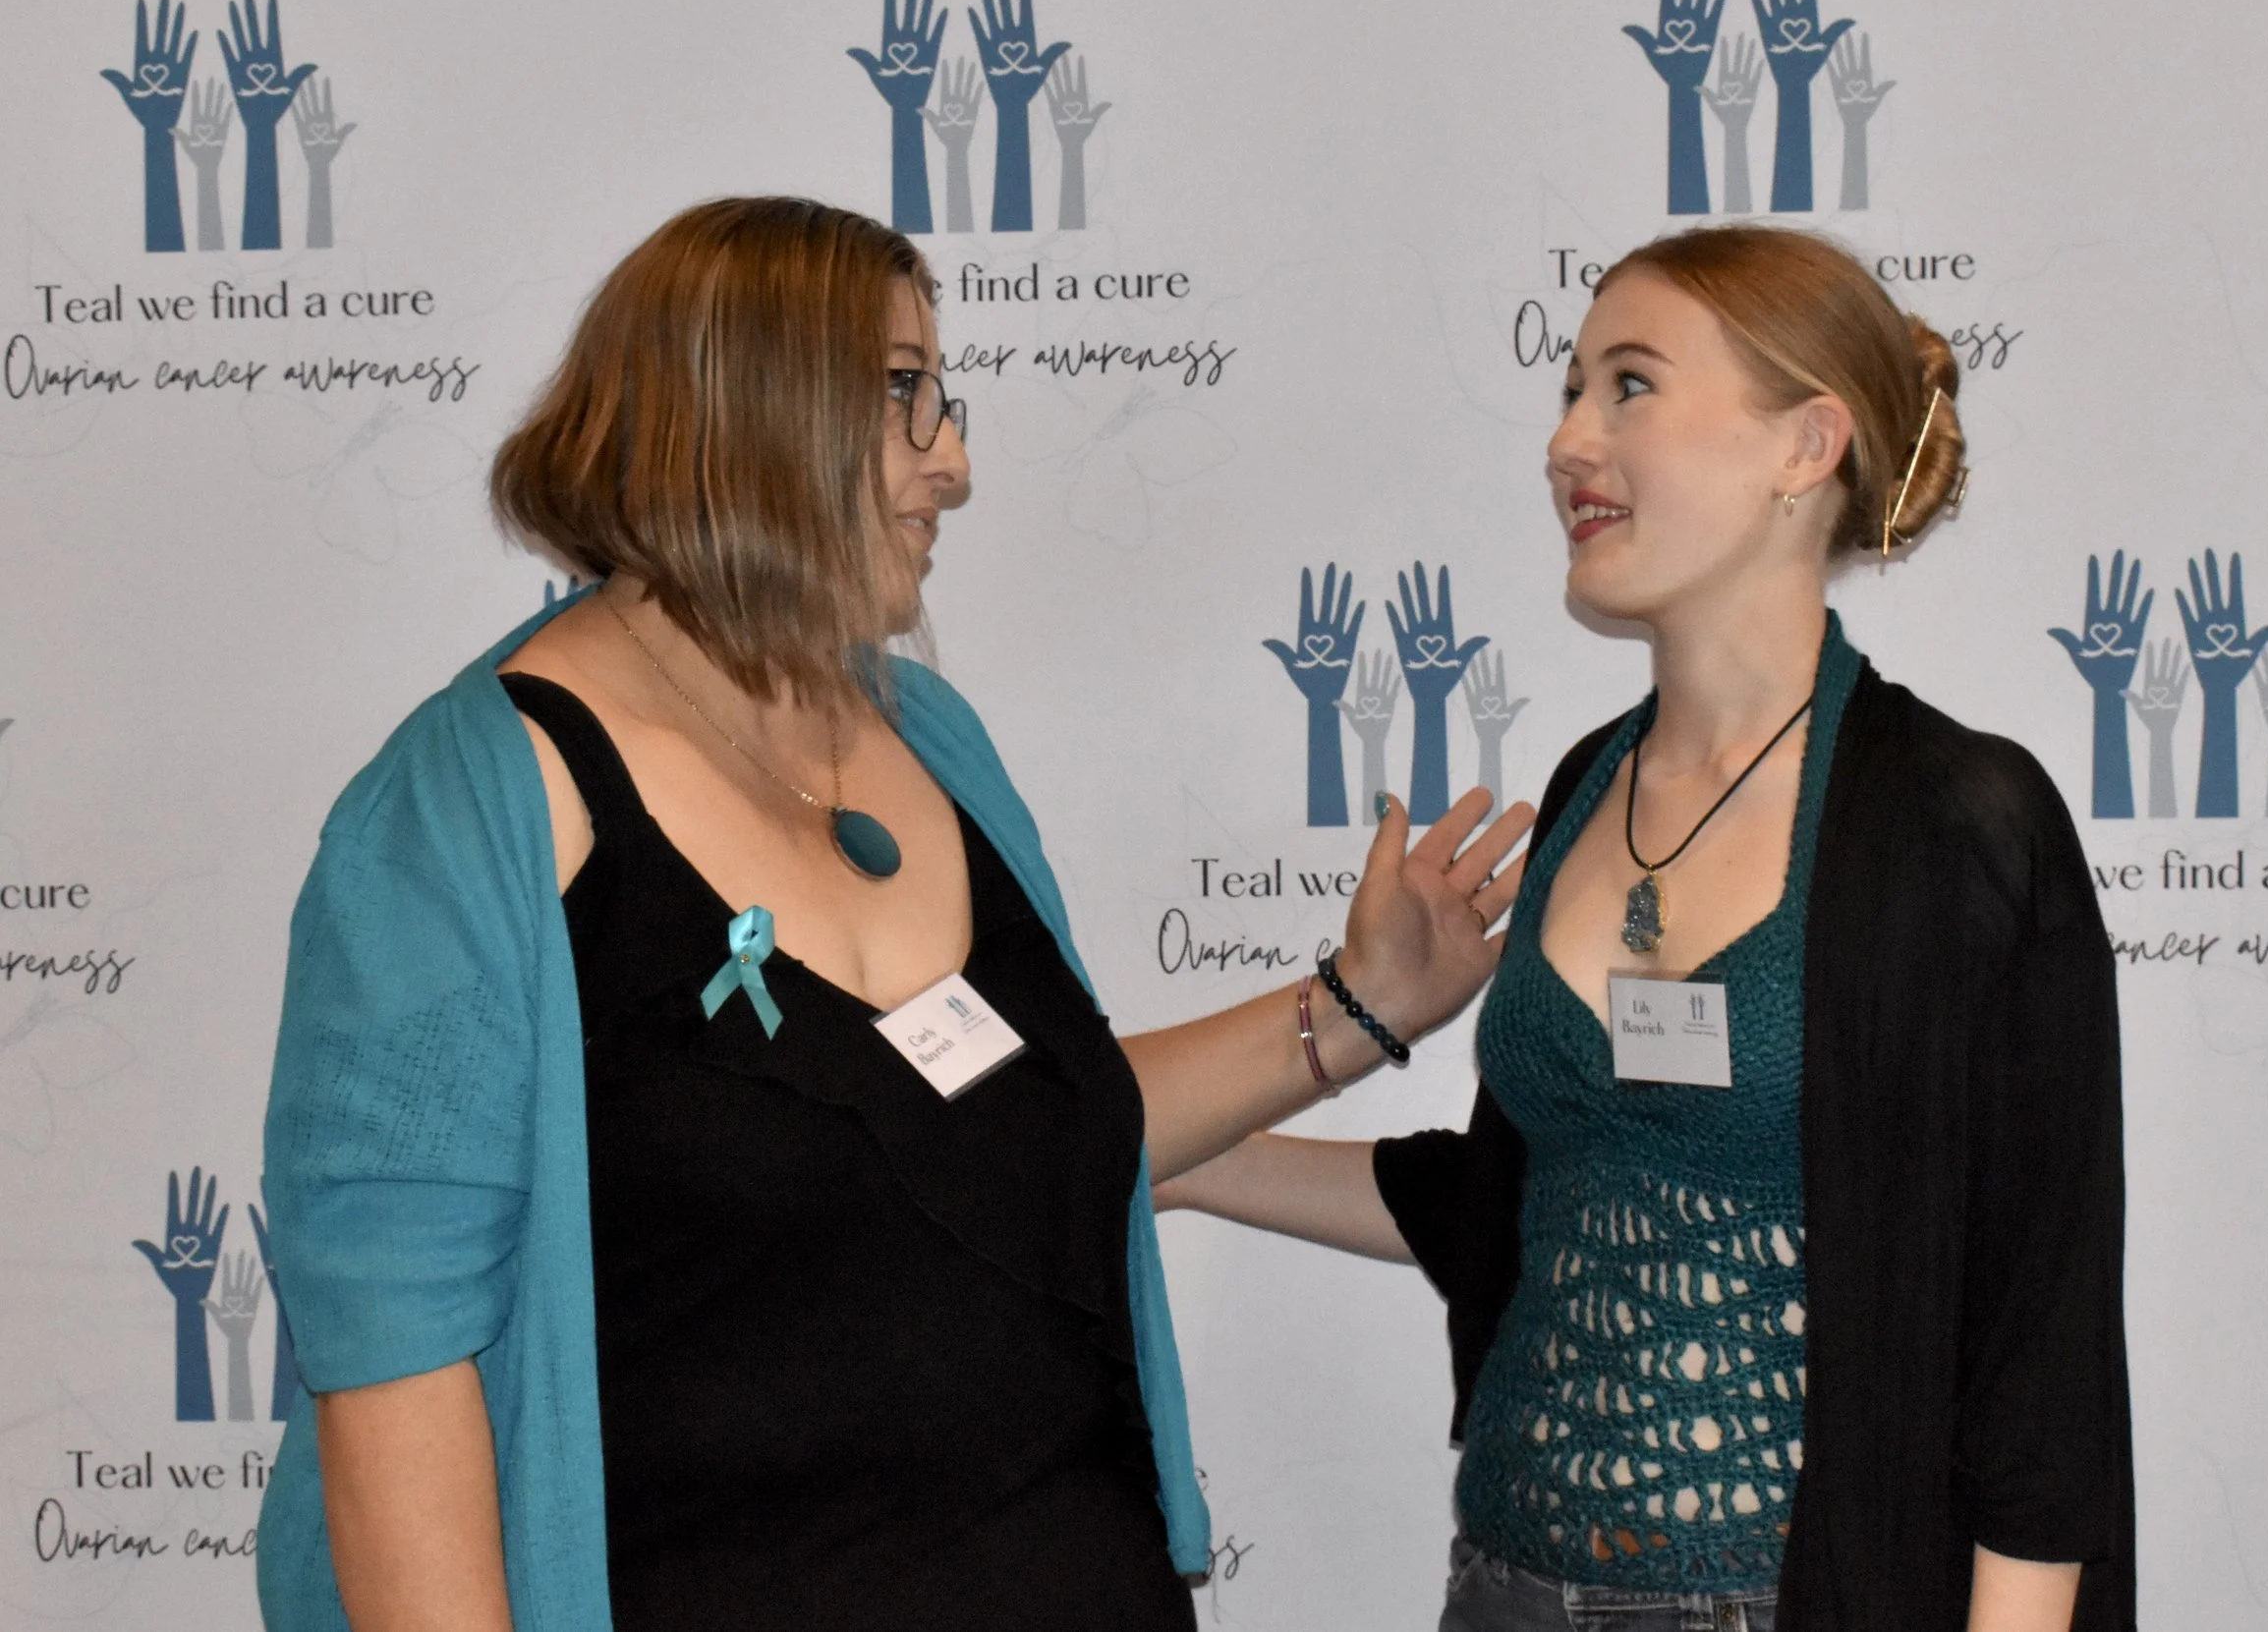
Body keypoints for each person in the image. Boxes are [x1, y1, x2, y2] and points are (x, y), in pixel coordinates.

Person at [255, 196, 1534, 1632]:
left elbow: (1027, 1122)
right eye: (904, 397)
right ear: (744, 407)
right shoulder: (471, 810)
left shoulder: (928, 736)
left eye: (947, 398)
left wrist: (1356, 1007)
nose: (957, 464)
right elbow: (389, 1375)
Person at [1162, 225, 2134, 1632]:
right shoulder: (1579, 789)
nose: (1567, 440)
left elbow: (2038, 1356)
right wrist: (1189, 1155)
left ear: (1807, 445)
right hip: (1502, 1594)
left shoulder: (1962, 823)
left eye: (1627, 387)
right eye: (1567, 391)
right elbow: (1501, 1208)